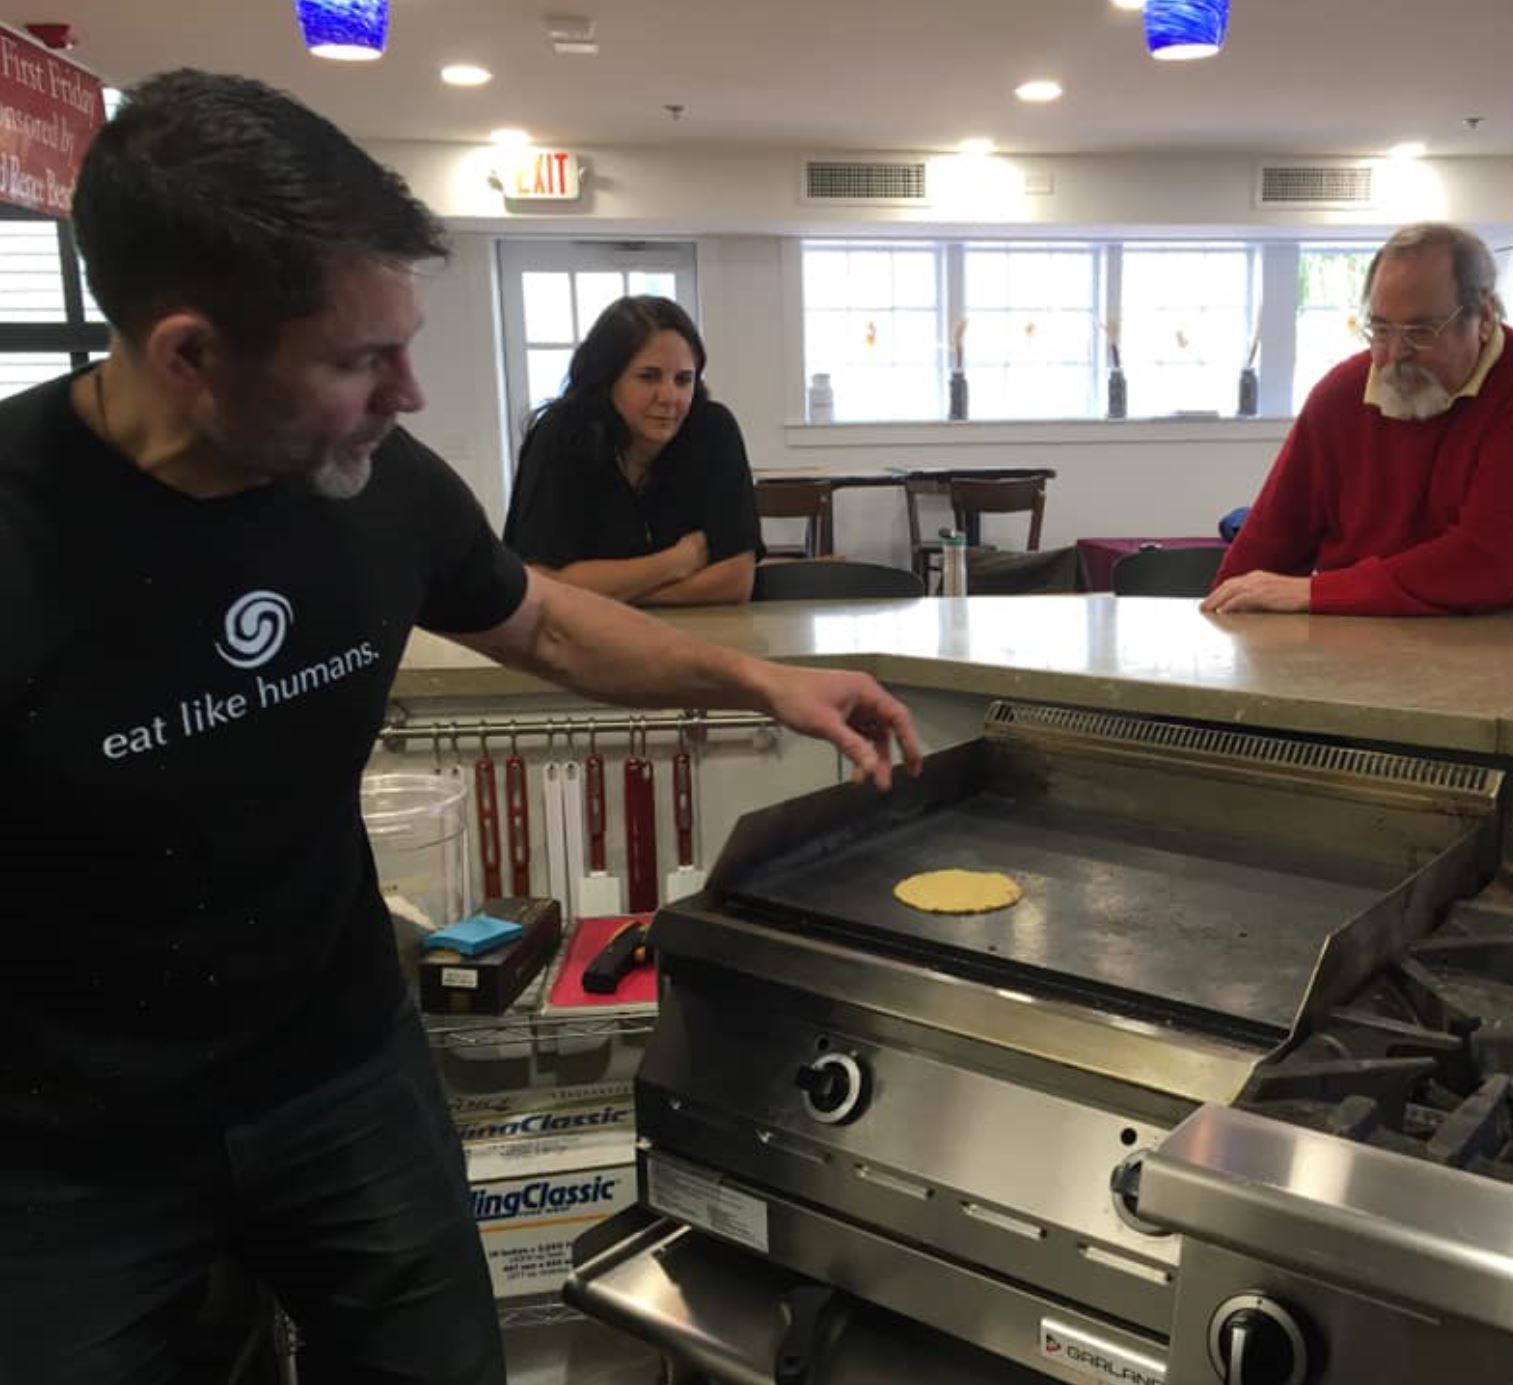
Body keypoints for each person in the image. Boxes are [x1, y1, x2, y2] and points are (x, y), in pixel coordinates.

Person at [0, 70, 918, 1385]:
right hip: (66, 1151)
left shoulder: (372, 482)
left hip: (340, 1072)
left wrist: (759, 683)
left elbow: (538, 618)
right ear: (189, 355)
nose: (411, 392)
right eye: (360, 359)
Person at [1202, 223, 1513, 617]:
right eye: (1381, 329)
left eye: (1421, 331)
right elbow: (1264, 548)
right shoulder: (1342, 392)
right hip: (1370, 639)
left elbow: (1488, 561)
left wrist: (1317, 592)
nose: (1395, 353)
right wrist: (1236, 600)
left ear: (1484, 319)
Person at [502, 296, 761, 605]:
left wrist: (616, 591)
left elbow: (735, 582)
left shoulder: (713, 430)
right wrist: (674, 563)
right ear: (607, 379)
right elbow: (540, 582)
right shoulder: (561, 435)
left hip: (694, 636)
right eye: (648, 377)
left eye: (683, 380)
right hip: (582, 640)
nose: (669, 397)